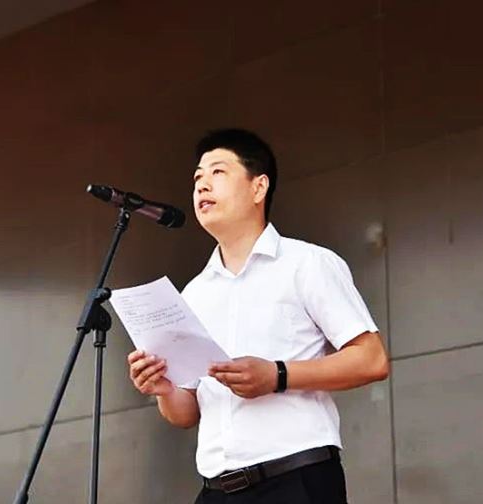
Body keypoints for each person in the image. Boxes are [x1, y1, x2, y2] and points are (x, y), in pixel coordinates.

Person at [127, 128, 389, 503]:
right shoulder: (194, 294)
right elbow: (186, 413)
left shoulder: (307, 263)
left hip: (295, 479)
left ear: (258, 187)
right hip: (216, 489)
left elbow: (371, 359)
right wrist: (163, 389)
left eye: (218, 172)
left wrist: (277, 375)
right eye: (197, 178)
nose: (202, 186)